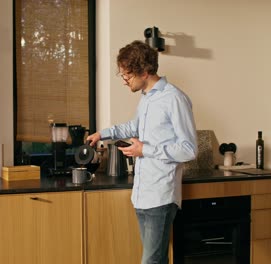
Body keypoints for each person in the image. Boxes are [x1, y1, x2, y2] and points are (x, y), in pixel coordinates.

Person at [87, 40, 198, 264]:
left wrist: (144, 149)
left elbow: (189, 149)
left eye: (127, 75)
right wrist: (103, 133)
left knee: (151, 262)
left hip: (161, 194)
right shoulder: (147, 98)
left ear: (145, 71)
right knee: (156, 260)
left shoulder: (174, 98)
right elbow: (134, 127)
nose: (124, 81)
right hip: (142, 194)